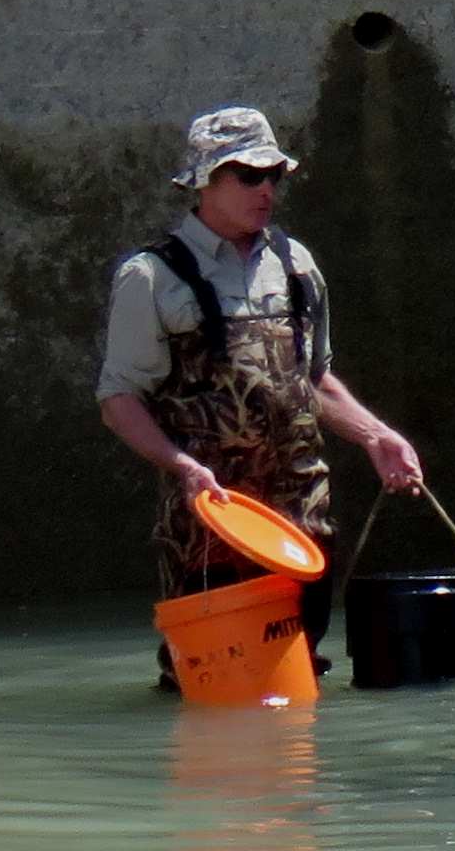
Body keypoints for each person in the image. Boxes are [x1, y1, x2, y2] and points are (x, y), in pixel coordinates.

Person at [97, 104, 424, 679]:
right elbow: (119, 400)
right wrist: (182, 467)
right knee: (213, 684)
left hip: (300, 522)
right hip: (211, 525)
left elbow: (315, 379)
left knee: (298, 677)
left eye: (273, 174)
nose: (266, 188)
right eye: (248, 175)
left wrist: (377, 436)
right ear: (204, 181)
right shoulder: (152, 276)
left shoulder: (294, 263)